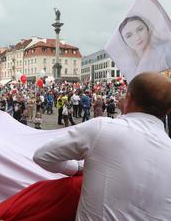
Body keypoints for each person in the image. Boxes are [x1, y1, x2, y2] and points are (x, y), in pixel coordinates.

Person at [33, 72, 171, 220]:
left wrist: (78, 167)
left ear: (128, 98)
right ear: (168, 109)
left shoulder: (102, 128)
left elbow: (42, 156)